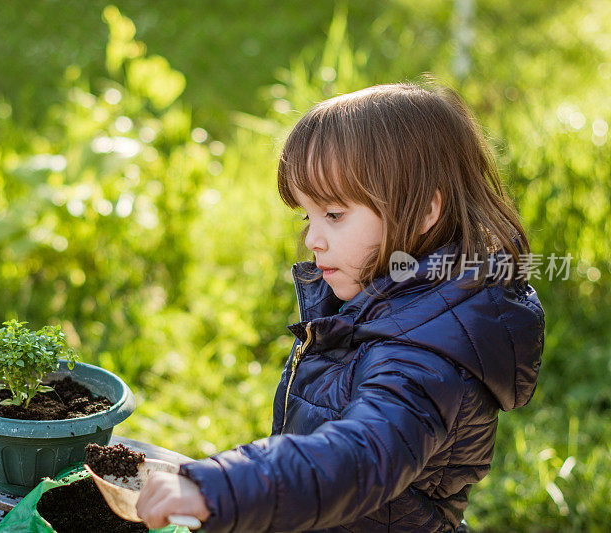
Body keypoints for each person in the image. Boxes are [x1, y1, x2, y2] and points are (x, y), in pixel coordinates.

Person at [135, 82, 545, 532]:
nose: (313, 239)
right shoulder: (385, 304)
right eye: (306, 216)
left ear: (425, 212)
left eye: (334, 215)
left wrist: (221, 487)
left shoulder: (426, 353)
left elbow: (359, 456)